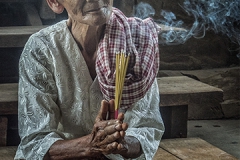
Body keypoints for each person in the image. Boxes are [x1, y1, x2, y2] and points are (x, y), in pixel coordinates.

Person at [15, 0, 165, 159]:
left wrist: (122, 143)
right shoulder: (42, 48)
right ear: (54, 2)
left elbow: (147, 128)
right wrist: (90, 145)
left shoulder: (135, 40)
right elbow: (35, 142)